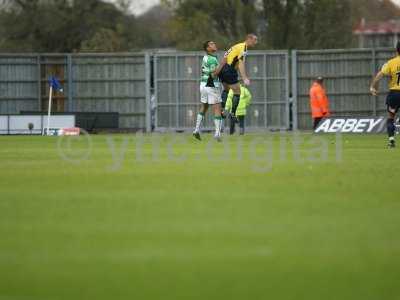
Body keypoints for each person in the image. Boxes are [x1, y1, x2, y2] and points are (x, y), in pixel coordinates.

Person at [214, 34, 258, 122]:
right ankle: (233, 114)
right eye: (255, 40)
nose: (256, 42)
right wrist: (244, 78)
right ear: (249, 39)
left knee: (226, 90)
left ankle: (221, 111)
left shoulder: (236, 46)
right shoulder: (243, 47)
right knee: (238, 92)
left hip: (224, 69)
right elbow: (241, 63)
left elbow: (224, 58)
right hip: (229, 70)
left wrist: (219, 71)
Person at [370, 41, 400, 148]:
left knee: (391, 118)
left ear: (396, 50)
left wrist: (372, 86)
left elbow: (380, 75)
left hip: (395, 94)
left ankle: (391, 141)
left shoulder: (391, 63)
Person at [193, 40, 223, 141]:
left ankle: (196, 130)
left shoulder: (205, 57)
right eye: (211, 44)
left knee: (204, 107)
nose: (214, 44)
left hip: (203, 84)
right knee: (217, 109)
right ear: (207, 48)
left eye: (214, 43)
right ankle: (217, 133)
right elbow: (214, 74)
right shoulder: (212, 60)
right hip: (211, 84)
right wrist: (222, 66)